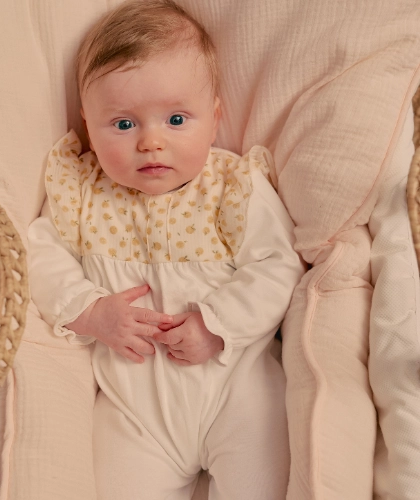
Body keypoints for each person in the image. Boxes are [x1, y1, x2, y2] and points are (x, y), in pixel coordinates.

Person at [28, 1, 304, 498]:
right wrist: (90, 311)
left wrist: (217, 323)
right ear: (89, 125)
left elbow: (278, 266)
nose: (151, 142)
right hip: (135, 414)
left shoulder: (231, 186)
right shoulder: (81, 191)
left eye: (176, 119)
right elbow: (39, 256)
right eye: (124, 124)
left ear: (214, 119)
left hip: (237, 392)